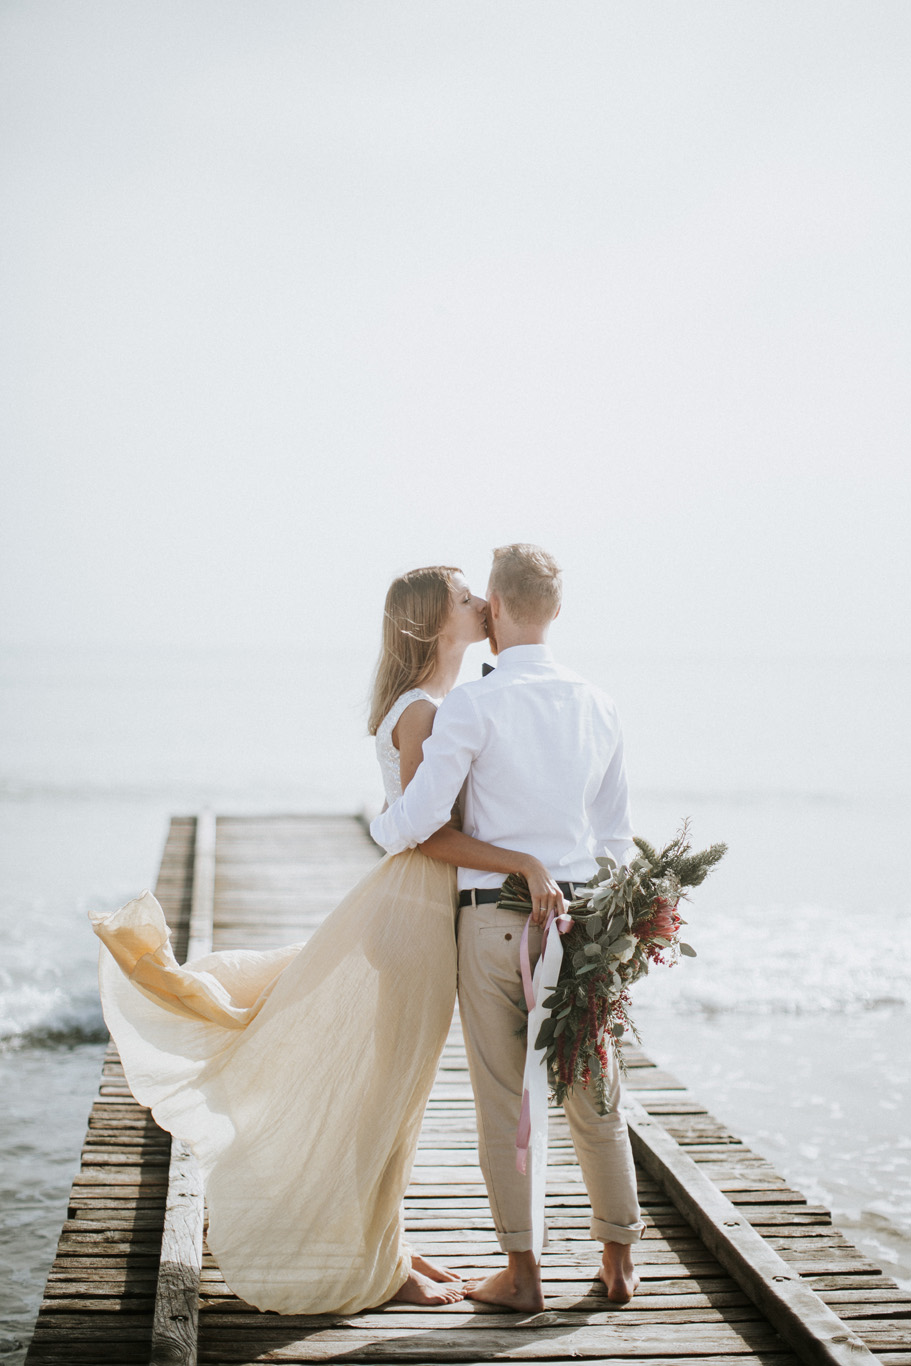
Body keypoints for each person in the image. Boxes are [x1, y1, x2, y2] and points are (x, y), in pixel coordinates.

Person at [90, 563, 564, 1316]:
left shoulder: (438, 703)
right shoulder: (423, 712)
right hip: (411, 916)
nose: (482, 604)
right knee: (384, 1101)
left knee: (392, 1099)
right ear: (433, 623)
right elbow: (426, 834)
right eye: (466, 599)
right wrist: (525, 861)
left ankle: (387, 1246)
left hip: (417, 911)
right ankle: (379, 1264)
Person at [371, 543, 645, 1313]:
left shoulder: (473, 703)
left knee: (504, 1101)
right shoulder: (598, 702)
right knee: (594, 1090)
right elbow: (617, 839)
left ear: (494, 606)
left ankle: (523, 1277)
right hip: (582, 920)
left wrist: (379, 821)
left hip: (494, 924)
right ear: (556, 611)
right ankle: (618, 1262)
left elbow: (417, 823)